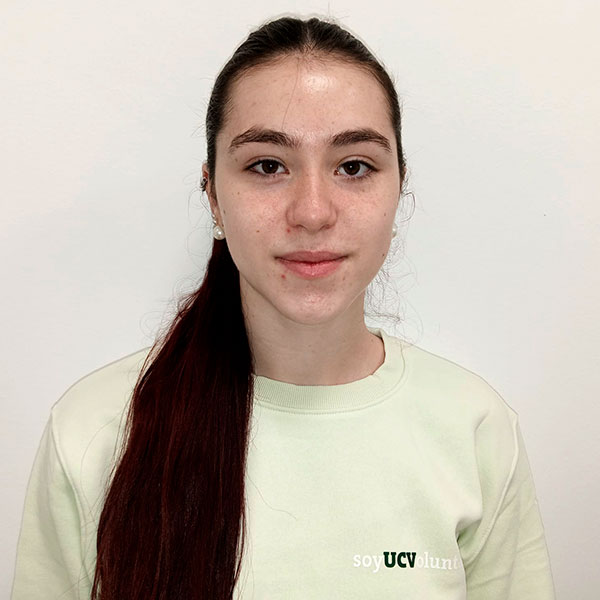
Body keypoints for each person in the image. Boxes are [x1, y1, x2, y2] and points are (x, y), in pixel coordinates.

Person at [11, 15, 555, 600]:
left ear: (399, 187)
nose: (313, 212)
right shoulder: (93, 431)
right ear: (213, 195)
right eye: (268, 165)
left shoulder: (476, 430)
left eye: (354, 166)